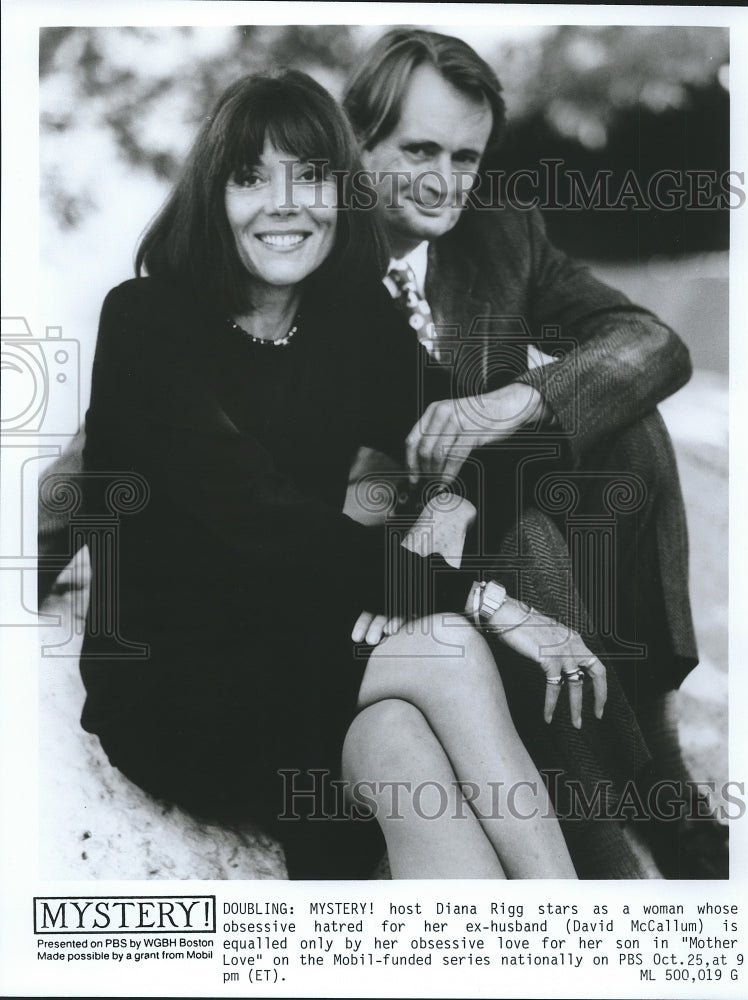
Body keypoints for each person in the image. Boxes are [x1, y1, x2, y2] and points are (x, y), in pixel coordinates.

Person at [76, 69, 613, 880]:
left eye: (311, 176)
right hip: (178, 680)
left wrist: (455, 505)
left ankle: (515, 953)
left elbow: (492, 440)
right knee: (447, 645)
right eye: (250, 178)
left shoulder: (350, 323)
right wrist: (476, 597)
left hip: (312, 642)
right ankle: (572, 919)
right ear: (210, 199)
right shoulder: (147, 321)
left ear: (341, 193)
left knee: (401, 749)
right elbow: (262, 516)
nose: (284, 204)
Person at [341, 27, 726, 878]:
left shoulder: (498, 236)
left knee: (624, 421)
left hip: (487, 506)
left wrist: (518, 399)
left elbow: (652, 343)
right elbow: (145, 410)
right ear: (358, 142)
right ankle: (605, 826)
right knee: (524, 537)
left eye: (467, 156)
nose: (449, 181)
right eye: (421, 150)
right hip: (378, 553)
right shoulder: (301, 246)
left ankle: (654, 754)